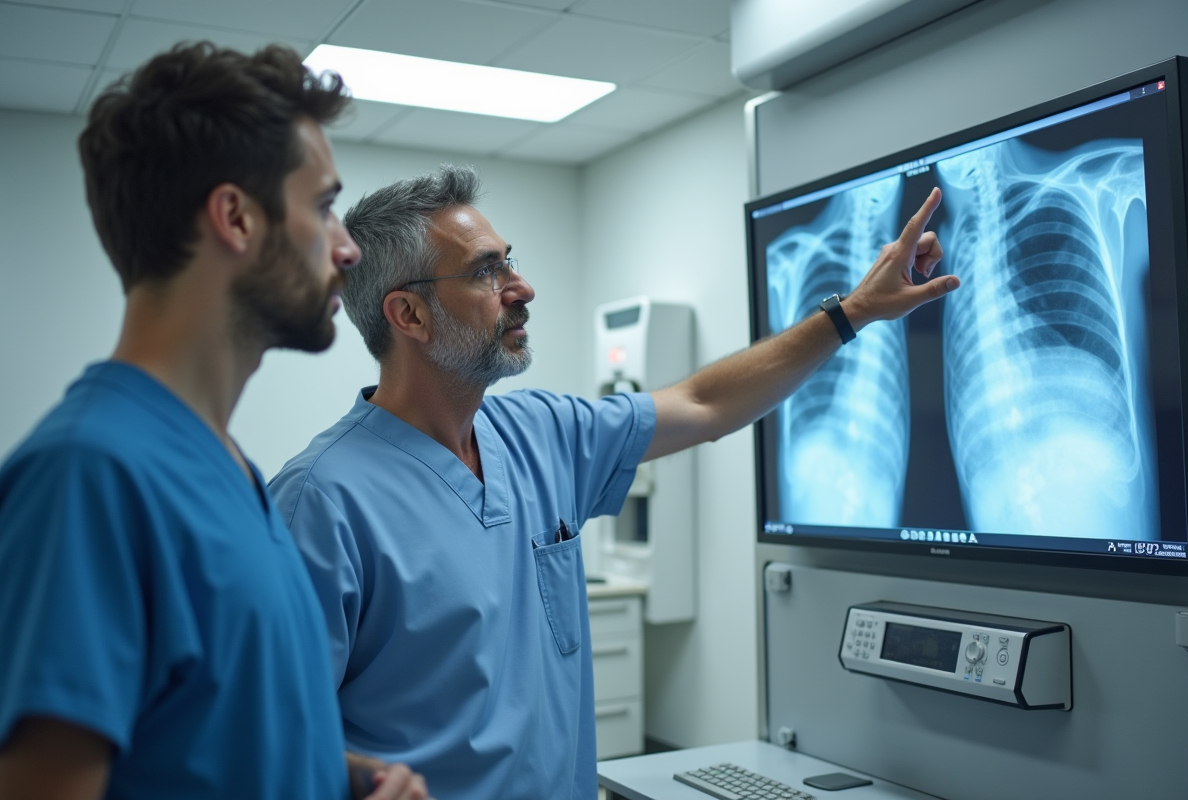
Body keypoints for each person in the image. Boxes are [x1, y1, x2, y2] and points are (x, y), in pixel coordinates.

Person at [269, 165, 957, 798]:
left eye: (510, 260)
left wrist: (853, 312)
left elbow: (705, 405)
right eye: (486, 272)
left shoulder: (541, 433)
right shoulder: (319, 502)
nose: (522, 288)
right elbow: (269, 739)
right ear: (408, 314)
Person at [0, 43, 427, 800]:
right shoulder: (89, 474)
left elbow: (201, 740)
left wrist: (343, 776)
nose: (348, 247)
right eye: (324, 207)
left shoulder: (231, 469)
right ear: (235, 216)